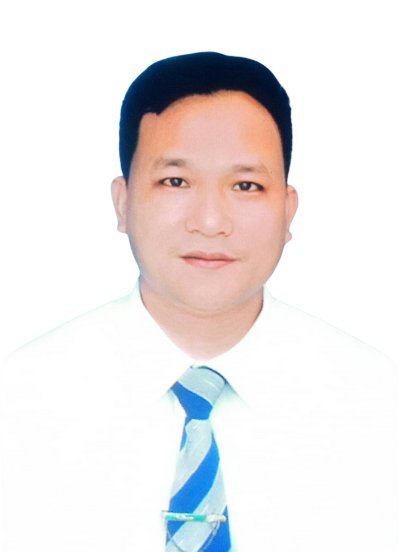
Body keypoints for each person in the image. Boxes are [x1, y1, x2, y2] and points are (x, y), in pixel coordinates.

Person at [0, 52, 397, 551]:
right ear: (123, 201)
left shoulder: (379, 404)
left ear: (288, 210)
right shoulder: (20, 402)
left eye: (246, 185)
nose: (210, 221)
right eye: (175, 181)